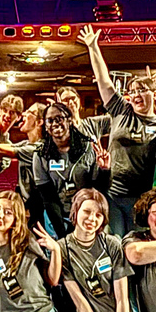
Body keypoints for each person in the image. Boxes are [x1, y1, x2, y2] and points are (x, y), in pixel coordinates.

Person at [78, 25, 156, 236]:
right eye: (132, 91)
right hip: (112, 195)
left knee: (138, 247)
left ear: (155, 94)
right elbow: (103, 80)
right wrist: (93, 47)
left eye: (142, 90)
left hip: (142, 199)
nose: (135, 95)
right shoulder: (122, 111)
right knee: (115, 245)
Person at [32, 102, 108, 238]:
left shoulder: (88, 147)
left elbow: (98, 189)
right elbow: (48, 198)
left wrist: (104, 169)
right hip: (57, 216)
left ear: (70, 120)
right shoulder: (40, 154)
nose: (55, 124)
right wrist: (63, 234)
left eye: (59, 118)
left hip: (87, 215)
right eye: (50, 120)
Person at [0, 102, 46, 226]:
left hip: (41, 206)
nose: (25, 114)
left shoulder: (40, 147)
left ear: (39, 122)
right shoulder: (26, 143)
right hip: (30, 203)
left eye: (30, 112)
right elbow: (1, 146)